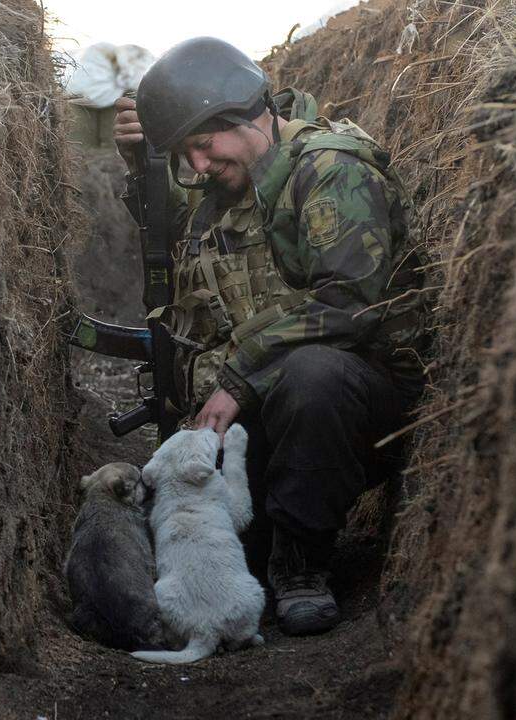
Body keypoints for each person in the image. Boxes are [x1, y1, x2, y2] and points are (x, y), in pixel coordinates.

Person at [112, 36, 426, 636]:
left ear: (246, 114)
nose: (198, 166)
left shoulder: (330, 171)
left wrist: (238, 376)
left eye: (203, 145)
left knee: (315, 375)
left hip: (355, 403)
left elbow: (349, 305)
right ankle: (271, 542)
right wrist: (143, 167)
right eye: (186, 155)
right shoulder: (232, 186)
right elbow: (188, 255)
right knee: (211, 559)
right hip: (267, 411)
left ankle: (303, 567)